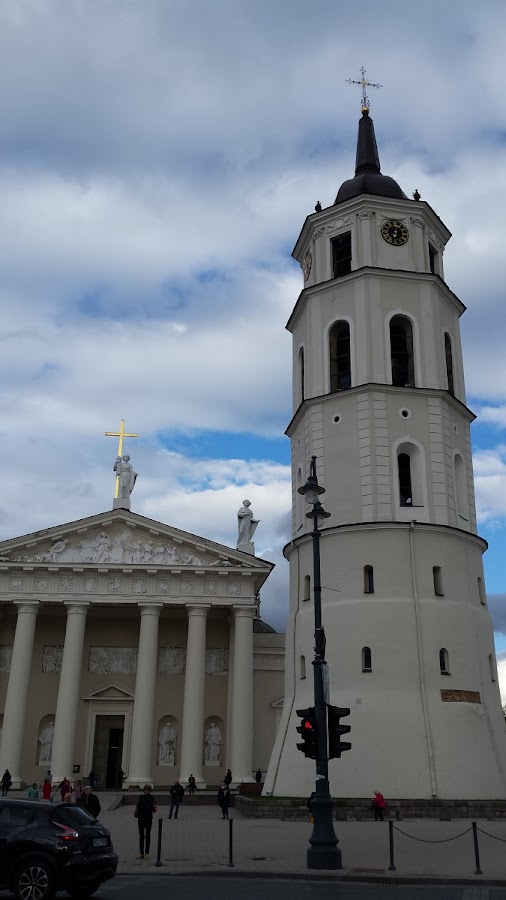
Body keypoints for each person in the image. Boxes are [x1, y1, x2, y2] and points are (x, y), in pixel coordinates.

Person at [135, 784, 156, 859]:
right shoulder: (141, 797)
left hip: (148, 819)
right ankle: (141, 853)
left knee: (147, 836)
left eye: (148, 790)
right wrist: (146, 807)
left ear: (150, 791)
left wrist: (145, 807)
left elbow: (150, 806)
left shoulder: (151, 798)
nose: (147, 791)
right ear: (144, 790)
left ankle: (147, 852)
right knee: (141, 836)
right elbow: (138, 806)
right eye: (146, 790)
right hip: (141, 818)